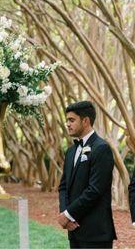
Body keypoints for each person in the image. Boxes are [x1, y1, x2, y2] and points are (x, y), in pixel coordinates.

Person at [57, 101, 116, 248]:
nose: (68, 124)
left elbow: (95, 190)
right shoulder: (71, 151)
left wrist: (68, 214)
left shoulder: (102, 148)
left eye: (72, 120)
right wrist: (65, 214)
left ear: (85, 121)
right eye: (67, 120)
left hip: (95, 233)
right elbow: (63, 186)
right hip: (74, 230)